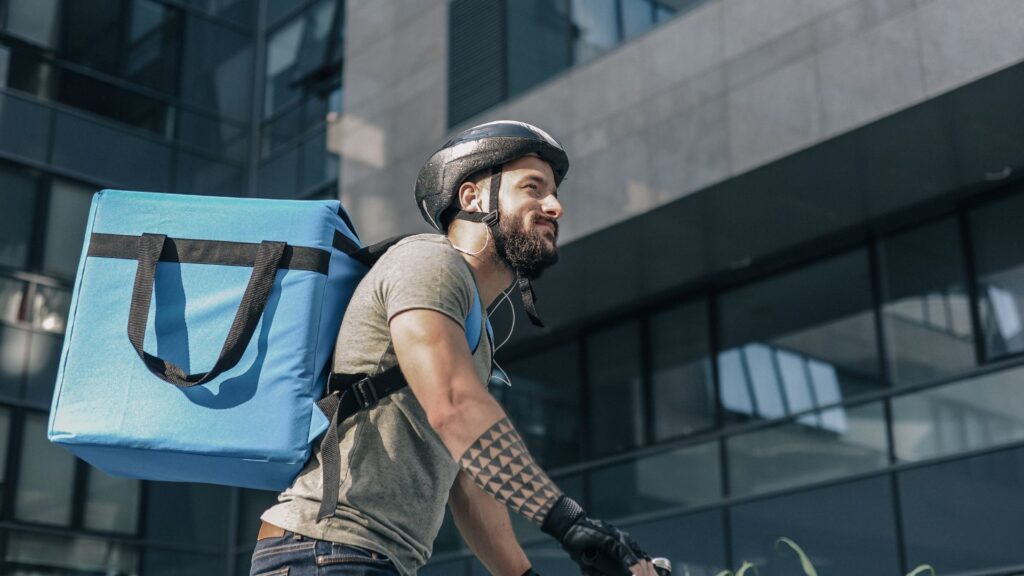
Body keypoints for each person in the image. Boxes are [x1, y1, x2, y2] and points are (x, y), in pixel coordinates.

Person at [251, 121, 656, 576]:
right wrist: (571, 523)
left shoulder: (474, 331)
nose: (555, 206)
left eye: (555, 193)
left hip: (362, 558)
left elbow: (469, 479)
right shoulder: (429, 260)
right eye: (533, 188)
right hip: (327, 550)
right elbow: (454, 405)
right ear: (472, 198)